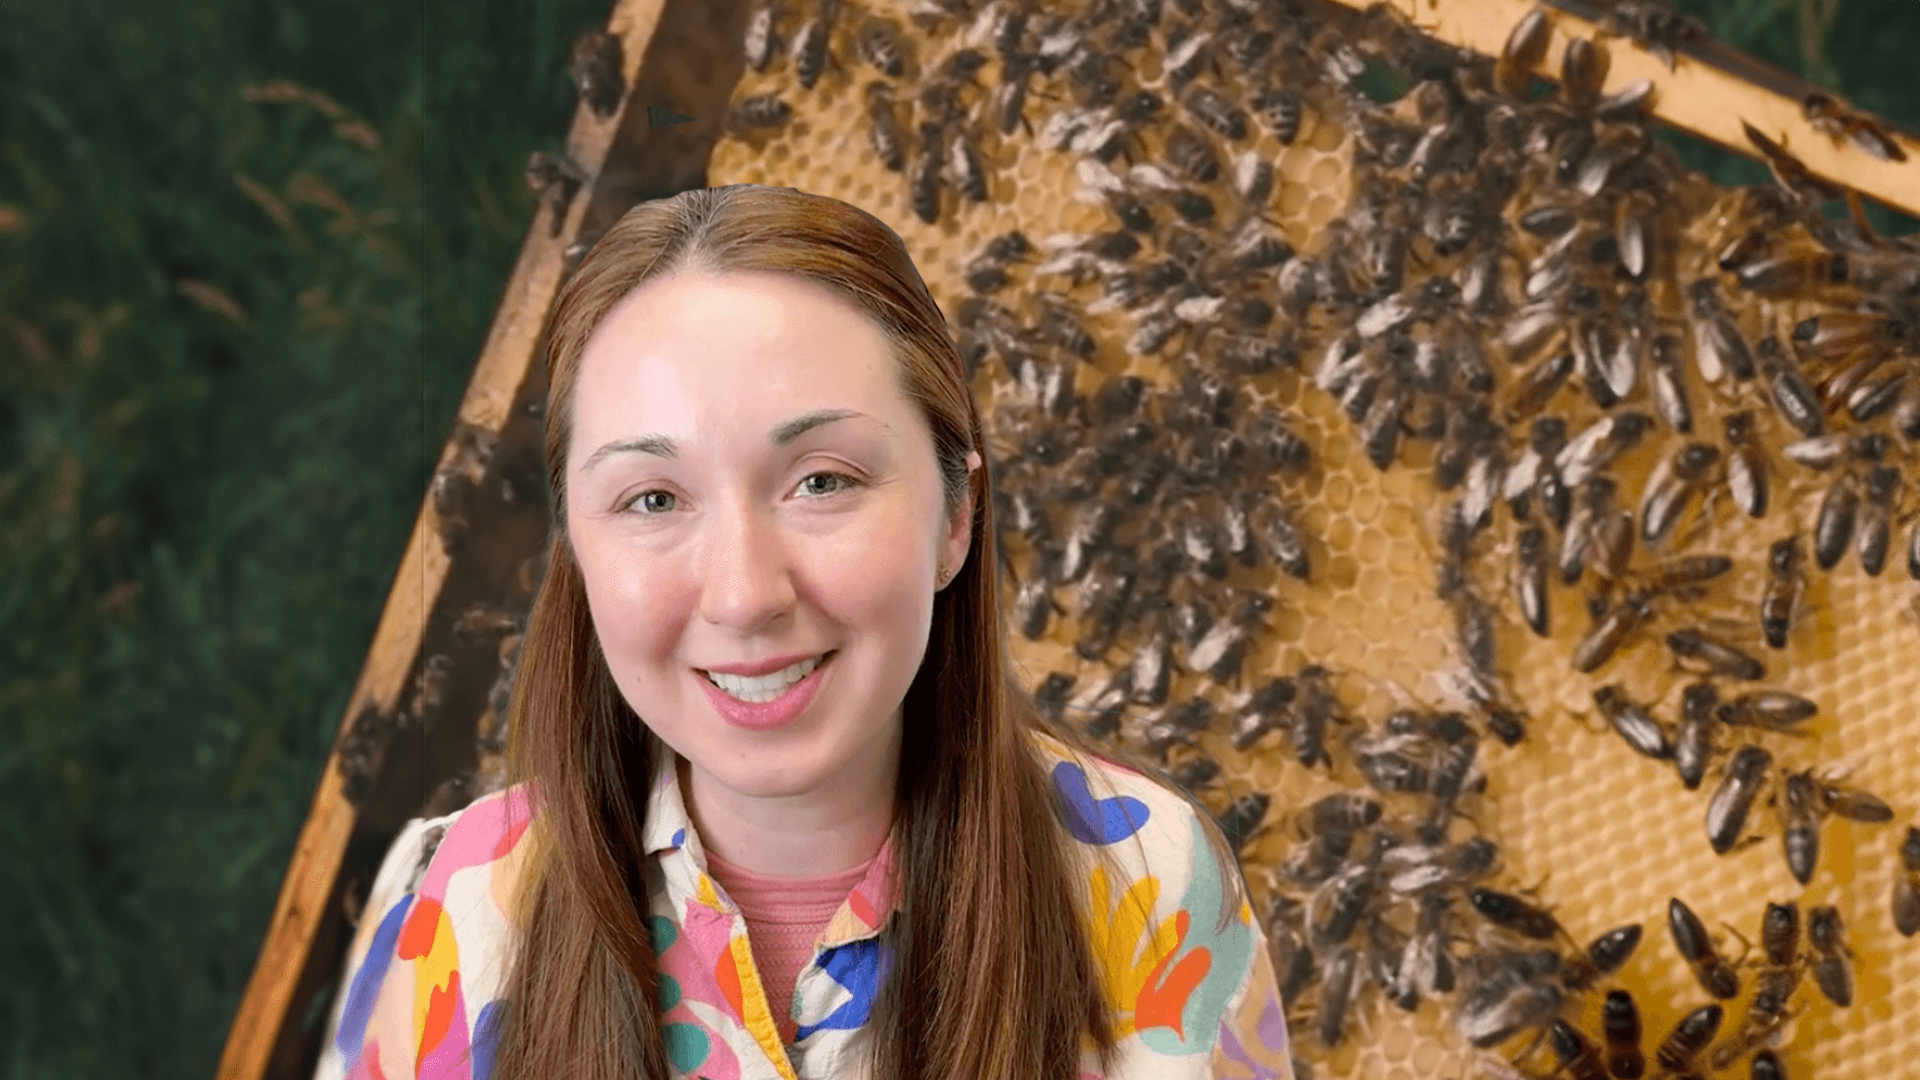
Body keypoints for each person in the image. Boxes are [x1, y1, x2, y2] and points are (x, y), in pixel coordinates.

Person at [312, 184, 1294, 1080]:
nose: (743, 595)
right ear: (575, 546)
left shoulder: (1153, 887)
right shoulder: (455, 910)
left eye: (823, 481)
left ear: (955, 516)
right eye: (652, 497)